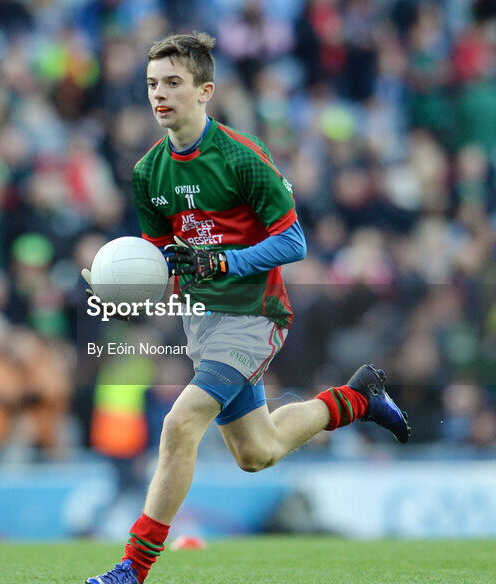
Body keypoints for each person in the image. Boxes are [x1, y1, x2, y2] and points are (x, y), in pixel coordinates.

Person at [83, 33, 412, 584]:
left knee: (180, 423)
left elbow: (294, 243)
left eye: (172, 83)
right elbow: (165, 259)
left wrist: (224, 264)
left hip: (256, 315)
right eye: (151, 85)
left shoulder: (242, 157)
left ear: (205, 90)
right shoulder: (147, 174)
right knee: (257, 452)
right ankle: (357, 399)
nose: (159, 95)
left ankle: (131, 570)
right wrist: (127, 286)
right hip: (202, 321)